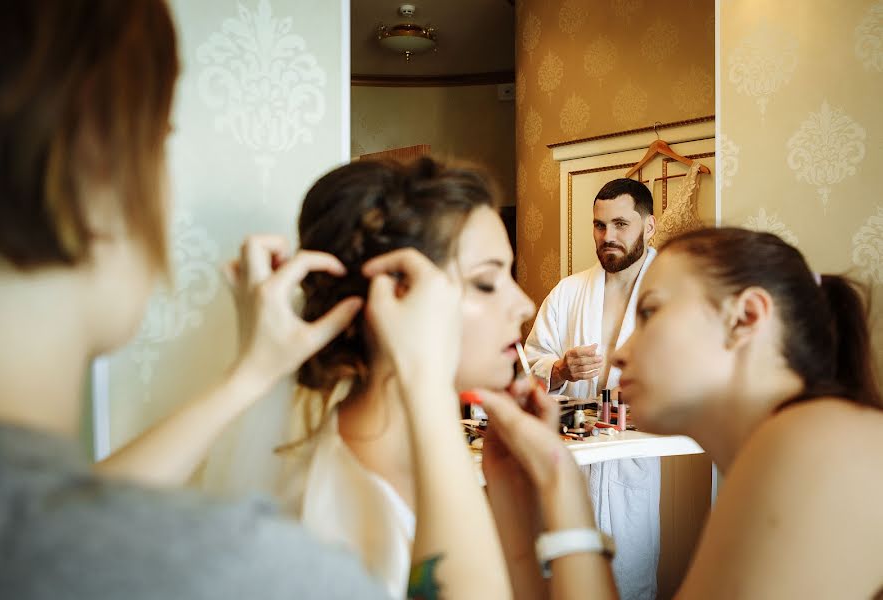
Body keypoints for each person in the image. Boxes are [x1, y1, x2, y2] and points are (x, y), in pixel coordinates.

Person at [0, 2, 509, 598]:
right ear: (101, 170)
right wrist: (428, 391)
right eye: (161, 144)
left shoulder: (35, 531)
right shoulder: (266, 566)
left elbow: (73, 522)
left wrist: (250, 373)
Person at [106, 157, 532, 597]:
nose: (524, 305)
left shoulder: (433, 459)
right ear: (397, 291)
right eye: (486, 282)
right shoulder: (337, 506)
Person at [479, 227, 883, 599]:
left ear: (745, 318)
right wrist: (528, 495)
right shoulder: (792, 442)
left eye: (650, 314)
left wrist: (557, 476)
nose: (619, 354)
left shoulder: (813, 444)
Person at [523, 178, 661, 599]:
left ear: (649, 226)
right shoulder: (569, 291)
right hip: (573, 459)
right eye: (600, 226)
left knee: (631, 576)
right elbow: (529, 360)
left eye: (621, 224)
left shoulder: (673, 288)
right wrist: (560, 369)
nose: (608, 237)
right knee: (566, 578)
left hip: (640, 462)